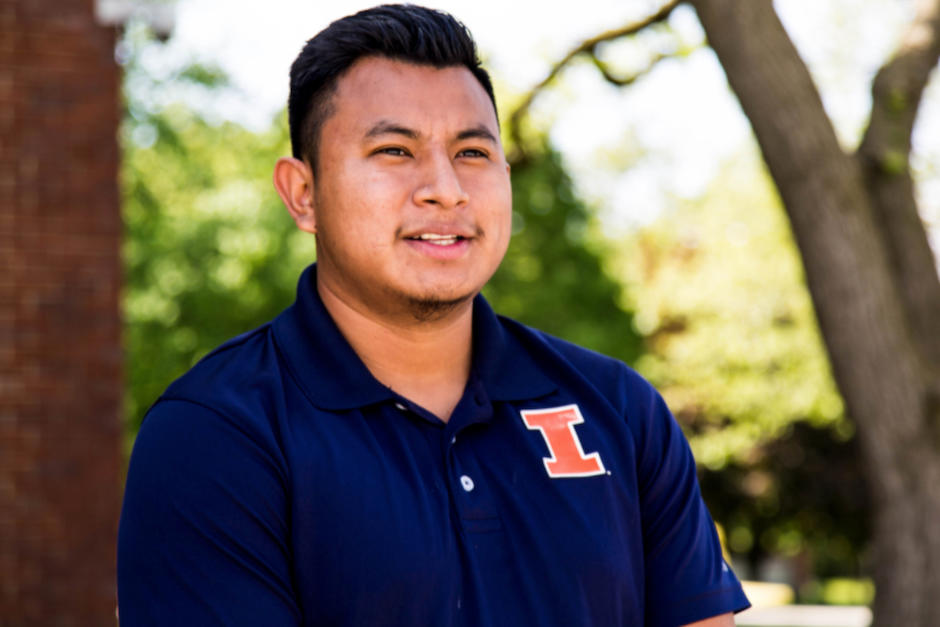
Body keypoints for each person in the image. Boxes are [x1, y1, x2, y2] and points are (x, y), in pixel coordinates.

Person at [116, 4, 750, 626]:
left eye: (473, 153)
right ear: (303, 194)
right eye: (395, 151)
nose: (445, 188)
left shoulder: (621, 410)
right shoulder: (216, 435)